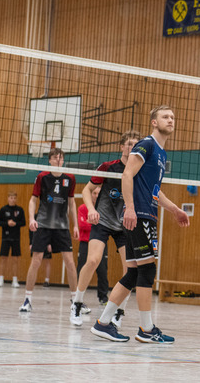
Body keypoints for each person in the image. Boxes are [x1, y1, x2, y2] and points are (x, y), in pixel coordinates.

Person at [91, 105, 189, 343]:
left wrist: (174, 209)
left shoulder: (161, 154)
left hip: (147, 214)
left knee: (134, 273)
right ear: (154, 122)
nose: (171, 120)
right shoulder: (146, 145)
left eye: (173, 117)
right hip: (140, 215)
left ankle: (103, 323)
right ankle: (146, 329)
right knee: (147, 270)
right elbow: (127, 174)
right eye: (165, 117)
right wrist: (130, 207)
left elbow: (155, 190)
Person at [71, 130, 141, 326]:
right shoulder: (108, 167)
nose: (132, 148)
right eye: (129, 144)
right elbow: (87, 190)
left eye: (135, 145)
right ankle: (77, 303)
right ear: (122, 147)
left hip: (125, 225)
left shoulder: (140, 171)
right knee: (93, 260)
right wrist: (91, 209)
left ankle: (119, 312)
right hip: (102, 222)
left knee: (130, 269)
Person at [20, 148, 80, 313]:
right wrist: (32, 219)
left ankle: (75, 301)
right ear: (50, 160)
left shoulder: (70, 178)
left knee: (70, 261)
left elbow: (71, 203)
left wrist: (75, 225)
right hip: (43, 225)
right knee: (36, 260)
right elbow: (33, 200)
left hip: (62, 226)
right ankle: (27, 299)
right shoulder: (42, 177)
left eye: (60, 157)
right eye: (55, 157)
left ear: (63, 160)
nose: (58, 159)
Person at [75, 188, 108, 312]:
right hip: (85, 242)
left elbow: (106, 226)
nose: (96, 195)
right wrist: (97, 224)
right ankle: (78, 298)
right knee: (82, 269)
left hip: (101, 243)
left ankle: (103, 297)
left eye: (99, 193)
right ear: (91, 194)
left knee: (102, 270)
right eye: (94, 193)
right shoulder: (83, 208)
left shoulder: (103, 208)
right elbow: (82, 225)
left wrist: (93, 222)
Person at [0, 191, 26, 288]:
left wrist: (15, 224)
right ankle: (1, 279)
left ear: (16, 199)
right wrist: (7, 223)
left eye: (14, 198)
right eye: (11, 198)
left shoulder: (20, 210)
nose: (13, 200)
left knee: (15, 259)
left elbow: (23, 222)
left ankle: (15, 280)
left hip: (16, 238)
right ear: (8, 198)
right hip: (5, 237)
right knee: (3, 258)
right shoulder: (3, 209)